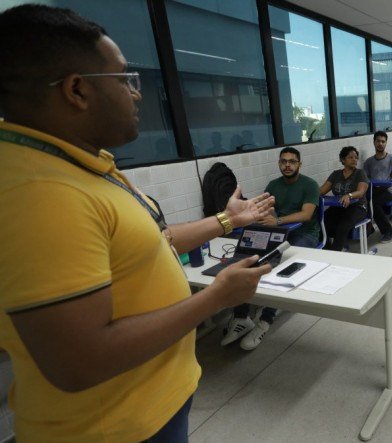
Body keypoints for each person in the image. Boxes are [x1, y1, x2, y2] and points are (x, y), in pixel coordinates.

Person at [0, 5, 275, 441]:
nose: (137, 93)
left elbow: (155, 240)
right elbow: (80, 360)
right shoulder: (39, 193)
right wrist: (216, 298)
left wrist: (228, 219)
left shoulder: (82, 164)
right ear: (77, 89)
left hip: (147, 408)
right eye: (125, 78)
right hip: (114, 429)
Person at [223, 147, 322, 351]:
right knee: (250, 261)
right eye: (283, 161)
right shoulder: (273, 185)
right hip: (279, 233)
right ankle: (242, 318)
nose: (287, 165)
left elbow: (306, 215)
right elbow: (268, 209)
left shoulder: (310, 185)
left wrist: (277, 220)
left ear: (299, 164)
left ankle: (265, 320)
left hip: (305, 235)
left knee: (282, 267)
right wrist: (259, 216)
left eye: (292, 161)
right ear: (279, 163)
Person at [320, 146, 370, 251]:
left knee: (343, 225)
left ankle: (335, 253)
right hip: (340, 207)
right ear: (343, 160)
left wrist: (349, 195)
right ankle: (327, 249)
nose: (354, 160)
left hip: (358, 207)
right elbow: (322, 191)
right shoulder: (336, 174)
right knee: (321, 220)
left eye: (356, 157)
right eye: (350, 157)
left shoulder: (360, 173)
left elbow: (361, 192)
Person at [363, 130, 392, 243]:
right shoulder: (368, 162)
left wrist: (386, 183)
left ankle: (389, 231)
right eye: (378, 141)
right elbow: (366, 179)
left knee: (373, 202)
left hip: (388, 191)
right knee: (364, 199)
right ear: (374, 142)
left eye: (383, 141)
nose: (380, 144)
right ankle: (369, 225)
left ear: (386, 143)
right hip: (373, 190)